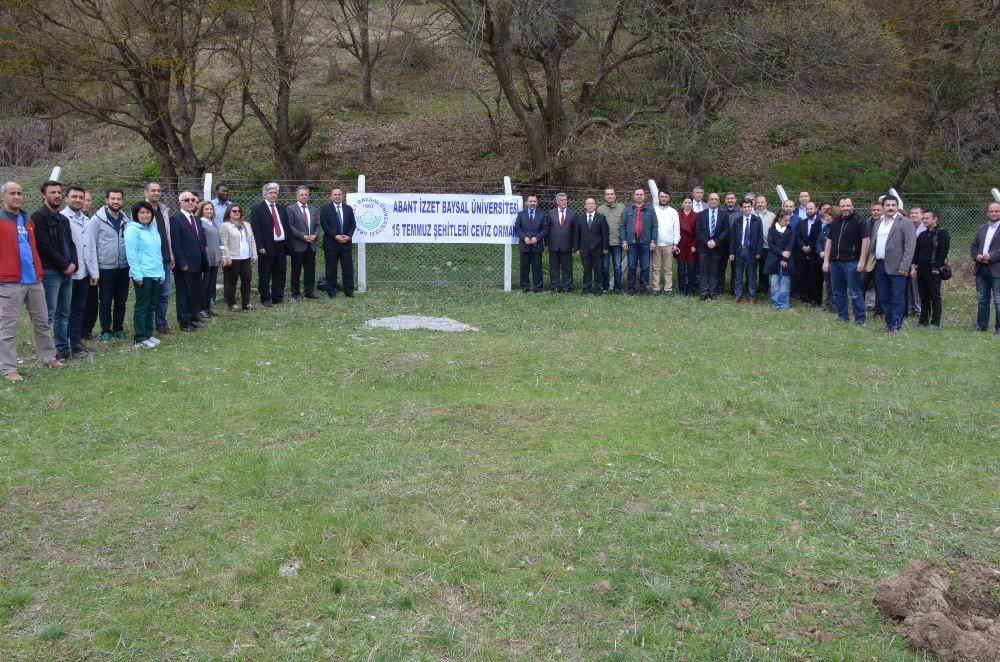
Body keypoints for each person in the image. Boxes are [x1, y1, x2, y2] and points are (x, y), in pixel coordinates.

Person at [0, 181, 64, 381]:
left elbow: (32, 248)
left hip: (33, 279)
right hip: (10, 281)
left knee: (42, 322)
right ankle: (8, 367)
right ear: (3, 197)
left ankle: (48, 357)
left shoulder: (27, 220)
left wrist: (37, 272)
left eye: (19, 193)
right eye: (12, 193)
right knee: (9, 326)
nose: (17, 197)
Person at [31, 180, 77, 361]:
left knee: (64, 313)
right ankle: (47, 354)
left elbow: (71, 244)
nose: (57, 196)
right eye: (53, 193)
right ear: (44, 195)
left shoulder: (63, 219)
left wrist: (73, 263)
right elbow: (44, 246)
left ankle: (63, 350)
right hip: (51, 272)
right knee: (48, 315)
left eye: (59, 192)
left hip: (67, 272)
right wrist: (64, 265)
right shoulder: (38, 218)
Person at [863, 194, 915, 334]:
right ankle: (889, 324)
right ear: (883, 207)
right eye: (887, 205)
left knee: (897, 297)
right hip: (880, 265)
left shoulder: (905, 222)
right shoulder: (878, 223)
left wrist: (905, 266)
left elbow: (910, 247)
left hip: (898, 266)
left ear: (897, 207)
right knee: (884, 297)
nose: (890, 208)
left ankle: (896, 326)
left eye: (893, 205)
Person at [85, 188, 131, 341]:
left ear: (122, 201)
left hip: (123, 268)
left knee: (121, 301)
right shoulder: (97, 220)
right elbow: (91, 245)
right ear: (106, 200)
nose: (116, 202)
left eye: (118, 199)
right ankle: (106, 330)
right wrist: (94, 270)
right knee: (105, 302)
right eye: (113, 199)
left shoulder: (126, 220)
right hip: (105, 268)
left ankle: (119, 328)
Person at [823, 196, 868, 325]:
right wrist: (826, 261)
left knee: (855, 292)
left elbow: (866, 241)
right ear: (839, 207)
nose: (845, 208)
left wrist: (861, 261)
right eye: (843, 206)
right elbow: (829, 241)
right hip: (835, 262)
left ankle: (860, 320)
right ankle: (843, 318)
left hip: (852, 262)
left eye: (848, 205)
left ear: (852, 206)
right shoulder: (835, 222)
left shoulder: (860, 221)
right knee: (837, 292)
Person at [124, 202, 164, 349]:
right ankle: (140, 338)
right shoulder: (132, 230)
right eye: (142, 213)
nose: (145, 215)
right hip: (142, 274)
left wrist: (162, 272)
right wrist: (137, 274)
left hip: (155, 273)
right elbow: (131, 254)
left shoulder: (153, 230)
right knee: (142, 305)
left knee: (151, 305)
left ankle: (148, 334)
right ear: (136, 214)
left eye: (148, 212)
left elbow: (157, 252)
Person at [61, 186, 93, 357]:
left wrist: (93, 271)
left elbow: (91, 248)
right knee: (66, 309)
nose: (78, 200)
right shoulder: (62, 218)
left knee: (79, 308)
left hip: (84, 271)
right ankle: (65, 343)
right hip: (69, 271)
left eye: (81, 197)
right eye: (74, 197)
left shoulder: (86, 220)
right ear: (66, 198)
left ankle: (76, 341)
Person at [169, 191, 208, 331]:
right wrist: (182, 263)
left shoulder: (197, 220)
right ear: (180, 203)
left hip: (197, 263)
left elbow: (200, 241)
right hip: (184, 265)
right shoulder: (176, 219)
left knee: (195, 292)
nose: (191, 202)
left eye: (193, 200)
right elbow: (176, 243)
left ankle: (193, 317)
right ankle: (184, 322)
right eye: (187, 200)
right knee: (184, 294)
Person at [250, 182, 288, 306]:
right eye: (270, 193)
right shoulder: (257, 209)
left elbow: (285, 227)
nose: (273, 195)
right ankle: (265, 297)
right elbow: (256, 229)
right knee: (265, 272)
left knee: (280, 271)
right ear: (265, 194)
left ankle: (278, 296)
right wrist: (260, 246)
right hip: (266, 246)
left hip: (280, 245)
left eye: (275, 193)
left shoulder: (282, 209)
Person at [144, 182, 175, 336]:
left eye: (158, 190)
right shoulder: (142, 211)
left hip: (165, 258)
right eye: (153, 190)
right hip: (150, 260)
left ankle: (161, 324)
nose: (156, 193)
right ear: (146, 192)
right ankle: (147, 326)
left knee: (164, 294)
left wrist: (171, 255)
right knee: (150, 295)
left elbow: (167, 235)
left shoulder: (163, 210)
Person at [911, 208, 949, 328]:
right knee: (923, 296)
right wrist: (913, 268)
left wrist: (937, 267)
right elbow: (916, 253)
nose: (925, 220)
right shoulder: (922, 234)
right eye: (924, 218)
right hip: (921, 270)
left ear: (935, 219)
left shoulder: (942, 233)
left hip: (933, 271)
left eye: (927, 218)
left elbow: (943, 252)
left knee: (935, 296)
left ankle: (935, 322)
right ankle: (923, 320)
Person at [219, 204, 257, 311]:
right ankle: (232, 303)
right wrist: (227, 257)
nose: (237, 213)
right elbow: (224, 243)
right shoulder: (225, 226)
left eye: (239, 211)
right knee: (232, 281)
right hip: (233, 258)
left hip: (246, 257)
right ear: (229, 213)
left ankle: (246, 303)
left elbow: (252, 240)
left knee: (247, 280)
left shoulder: (246, 225)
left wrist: (254, 254)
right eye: (234, 211)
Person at [319, 186, 356, 297]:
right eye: (335, 194)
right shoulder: (325, 209)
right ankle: (331, 291)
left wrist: (348, 236)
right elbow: (324, 225)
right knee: (331, 270)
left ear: (342, 196)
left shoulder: (348, 209)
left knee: (348, 269)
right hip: (331, 244)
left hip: (346, 244)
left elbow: (353, 224)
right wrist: (335, 236)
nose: (337, 196)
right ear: (331, 196)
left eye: (339, 194)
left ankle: (349, 291)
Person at [620, 188, 657, 295]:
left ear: (644, 196)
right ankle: (631, 289)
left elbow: (654, 226)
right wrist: (624, 241)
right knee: (632, 266)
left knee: (645, 267)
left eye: (641, 194)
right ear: (634, 196)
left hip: (645, 242)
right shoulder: (628, 210)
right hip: (631, 242)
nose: (639, 196)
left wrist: (653, 240)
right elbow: (622, 226)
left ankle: (643, 289)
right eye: (637, 194)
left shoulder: (650, 210)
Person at [971, 201, 1000, 334]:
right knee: (982, 299)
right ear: (987, 212)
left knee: (998, 300)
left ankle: (998, 328)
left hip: (997, 269)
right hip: (981, 268)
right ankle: (982, 325)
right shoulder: (982, 228)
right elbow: (974, 245)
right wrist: (976, 255)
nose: (993, 213)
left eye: (996, 211)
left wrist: (991, 255)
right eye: (991, 211)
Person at [286, 185, 319, 300]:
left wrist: (315, 235)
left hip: (311, 245)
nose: (304, 196)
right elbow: (290, 226)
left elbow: (318, 225)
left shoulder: (313, 209)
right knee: (296, 270)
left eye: (306, 195)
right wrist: (303, 236)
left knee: (310, 270)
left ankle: (309, 292)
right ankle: (295, 293)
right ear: (297, 196)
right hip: (298, 245)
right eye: (302, 195)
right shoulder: (291, 209)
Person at [695, 192, 729, 300]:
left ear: (719, 202)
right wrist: (707, 242)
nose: (713, 201)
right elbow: (698, 231)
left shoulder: (724, 215)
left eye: (716, 199)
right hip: (704, 247)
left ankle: (712, 292)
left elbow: (726, 230)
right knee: (704, 270)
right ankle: (704, 292)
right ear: (708, 201)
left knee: (715, 270)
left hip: (718, 247)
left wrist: (715, 241)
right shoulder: (701, 214)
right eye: (711, 199)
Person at [729, 199, 763, 303]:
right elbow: (732, 238)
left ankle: (751, 296)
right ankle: (738, 294)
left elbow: (760, 238)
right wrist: (731, 252)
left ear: (752, 207)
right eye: (744, 207)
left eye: (749, 207)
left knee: (752, 274)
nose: (747, 209)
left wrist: (759, 252)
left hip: (751, 251)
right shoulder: (737, 221)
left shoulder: (757, 220)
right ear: (741, 208)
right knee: (738, 274)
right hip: (739, 250)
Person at [573, 197, 609, 295]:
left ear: (595, 205)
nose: (590, 205)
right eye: (588, 204)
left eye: (592, 203)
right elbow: (577, 234)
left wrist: (605, 247)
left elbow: (605, 234)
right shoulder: (580, 218)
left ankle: (598, 289)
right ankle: (586, 288)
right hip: (585, 249)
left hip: (598, 249)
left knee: (598, 270)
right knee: (587, 270)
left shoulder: (601, 218)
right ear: (585, 206)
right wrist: (577, 248)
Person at [513, 194, 547, 292]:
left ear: (537, 203)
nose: (532, 203)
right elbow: (517, 228)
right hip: (524, 246)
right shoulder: (521, 214)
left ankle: (538, 288)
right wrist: (524, 238)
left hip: (537, 246)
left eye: (534, 201)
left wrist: (537, 238)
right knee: (524, 268)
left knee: (537, 268)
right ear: (526, 203)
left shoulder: (542, 215)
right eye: (530, 201)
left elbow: (545, 229)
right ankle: (524, 287)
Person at [764, 210, 797, 309]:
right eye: (785, 221)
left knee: (784, 282)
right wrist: (781, 252)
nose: (788, 222)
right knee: (774, 282)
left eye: (789, 220)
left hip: (786, 260)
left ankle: (783, 303)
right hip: (773, 259)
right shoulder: (772, 230)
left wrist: (784, 258)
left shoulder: (791, 231)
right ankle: (775, 302)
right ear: (779, 219)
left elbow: (790, 246)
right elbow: (771, 244)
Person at [546, 192, 577, 293]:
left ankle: (567, 287)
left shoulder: (573, 214)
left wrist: (574, 245)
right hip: (553, 245)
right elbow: (547, 229)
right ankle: (555, 286)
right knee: (554, 267)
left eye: (565, 200)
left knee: (567, 267)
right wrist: (546, 244)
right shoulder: (551, 213)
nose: (564, 202)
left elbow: (575, 231)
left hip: (567, 245)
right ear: (557, 202)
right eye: (562, 200)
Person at [651, 189, 680, 296]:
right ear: (659, 197)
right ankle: (656, 288)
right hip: (656, 244)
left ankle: (668, 289)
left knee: (668, 268)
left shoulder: (673, 212)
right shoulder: (654, 210)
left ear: (669, 198)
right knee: (656, 268)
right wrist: (652, 241)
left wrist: (675, 243)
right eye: (662, 196)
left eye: (665, 197)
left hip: (669, 245)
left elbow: (676, 229)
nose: (663, 198)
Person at [597, 188, 625, 294]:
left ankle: (617, 288)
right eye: (607, 194)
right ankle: (605, 287)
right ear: (604, 196)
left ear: (615, 196)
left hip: (617, 243)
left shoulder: (622, 208)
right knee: (604, 266)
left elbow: (625, 225)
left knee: (617, 266)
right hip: (604, 244)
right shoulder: (600, 209)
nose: (610, 196)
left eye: (612, 194)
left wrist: (624, 241)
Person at [198, 201, 221, 318]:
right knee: (204, 284)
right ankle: (201, 308)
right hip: (206, 259)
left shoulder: (213, 223)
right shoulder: (200, 223)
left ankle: (208, 308)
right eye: (206, 209)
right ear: (202, 210)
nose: (209, 211)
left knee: (211, 284)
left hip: (215, 258)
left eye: (211, 209)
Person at [794, 202, 820, 303]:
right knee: (802, 275)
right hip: (802, 253)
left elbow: (819, 237)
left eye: (811, 209)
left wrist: (811, 247)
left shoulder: (819, 221)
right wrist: (803, 247)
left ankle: (814, 297)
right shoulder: (801, 222)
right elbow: (798, 236)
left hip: (815, 253)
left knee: (814, 276)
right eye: (807, 209)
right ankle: (804, 297)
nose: (809, 211)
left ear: (816, 209)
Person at [860, 200, 883, 313]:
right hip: (867, 258)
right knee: (862, 284)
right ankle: (859, 308)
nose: (876, 212)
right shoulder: (867, 222)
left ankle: (878, 312)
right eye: (874, 210)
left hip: (879, 258)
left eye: (878, 210)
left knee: (879, 287)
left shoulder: (885, 223)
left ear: (882, 210)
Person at [905, 205, 925, 318]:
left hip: (918, 261)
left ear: (922, 215)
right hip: (907, 260)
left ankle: (919, 310)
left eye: (916, 213)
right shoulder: (908, 226)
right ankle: (910, 308)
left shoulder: (925, 227)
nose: (913, 215)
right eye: (912, 213)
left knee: (916, 287)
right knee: (908, 287)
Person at [677, 195, 699, 296]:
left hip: (691, 245)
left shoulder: (696, 215)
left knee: (691, 268)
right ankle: (682, 288)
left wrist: (695, 245)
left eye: (689, 202)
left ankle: (691, 289)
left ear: (692, 204)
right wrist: (675, 244)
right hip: (680, 245)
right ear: (682, 203)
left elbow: (698, 232)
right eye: (685, 202)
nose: (687, 204)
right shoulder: (677, 214)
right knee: (681, 269)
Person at [755, 195, 775, 294]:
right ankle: (751, 286)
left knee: (764, 268)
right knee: (752, 267)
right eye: (758, 202)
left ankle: (764, 288)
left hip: (766, 246)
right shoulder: (751, 214)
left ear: (766, 203)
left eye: (762, 202)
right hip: (753, 247)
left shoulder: (772, 216)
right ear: (755, 203)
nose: (760, 204)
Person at [816, 206, 835, 312]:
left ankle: (835, 305)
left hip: (834, 260)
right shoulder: (825, 228)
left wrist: (827, 253)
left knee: (835, 284)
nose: (826, 218)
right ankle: (829, 304)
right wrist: (820, 252)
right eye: (825, 216)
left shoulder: (837, 228)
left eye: (828, 216)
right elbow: (818, 241)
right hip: (824, 260)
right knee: (828, 284)